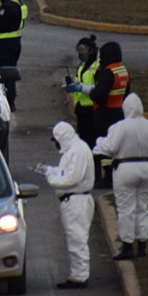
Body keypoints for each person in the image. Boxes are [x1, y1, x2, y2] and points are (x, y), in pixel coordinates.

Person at [93, 93, 148, 260]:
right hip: (146, 168)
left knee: (126, 209)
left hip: (125, 168)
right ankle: (143, 244)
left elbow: (110, 148)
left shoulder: (120, 127)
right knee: (142, 207)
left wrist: (100, 141)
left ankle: (128, 246)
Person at [36, 122, 96, 289]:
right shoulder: (74, 150)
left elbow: (71, 179)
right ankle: (78, 274)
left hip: (76, 201)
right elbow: (66, 173)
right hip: (74, 200)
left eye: (56, 140)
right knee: (74, 237)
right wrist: (50, 170)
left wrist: (50, 179)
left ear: (62, 138)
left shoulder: (77, 151)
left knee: (77, 238)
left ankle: (80, 277)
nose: (55, 143)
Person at [89, 41, 130, 189]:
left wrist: (91, 91)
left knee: (104, 146)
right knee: (117, 146)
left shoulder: (108, 72)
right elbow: (126, 93)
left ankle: (108, 176)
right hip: (119, 112)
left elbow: (100, 96)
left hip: (105, 114)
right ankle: (115, 174)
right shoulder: (122, 70)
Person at [63, 35, 101, 185]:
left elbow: (98, 88)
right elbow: (82, 80)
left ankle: (97, 174)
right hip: (82, 111)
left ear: (91, 50)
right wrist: (73, 83)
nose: (80, 53)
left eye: (82, 50)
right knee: (84, 145)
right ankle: (87, 174)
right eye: (78, 50)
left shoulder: (97, 66)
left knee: (94, 145)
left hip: (93, 110)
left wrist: (80, 87)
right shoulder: (82, 65)